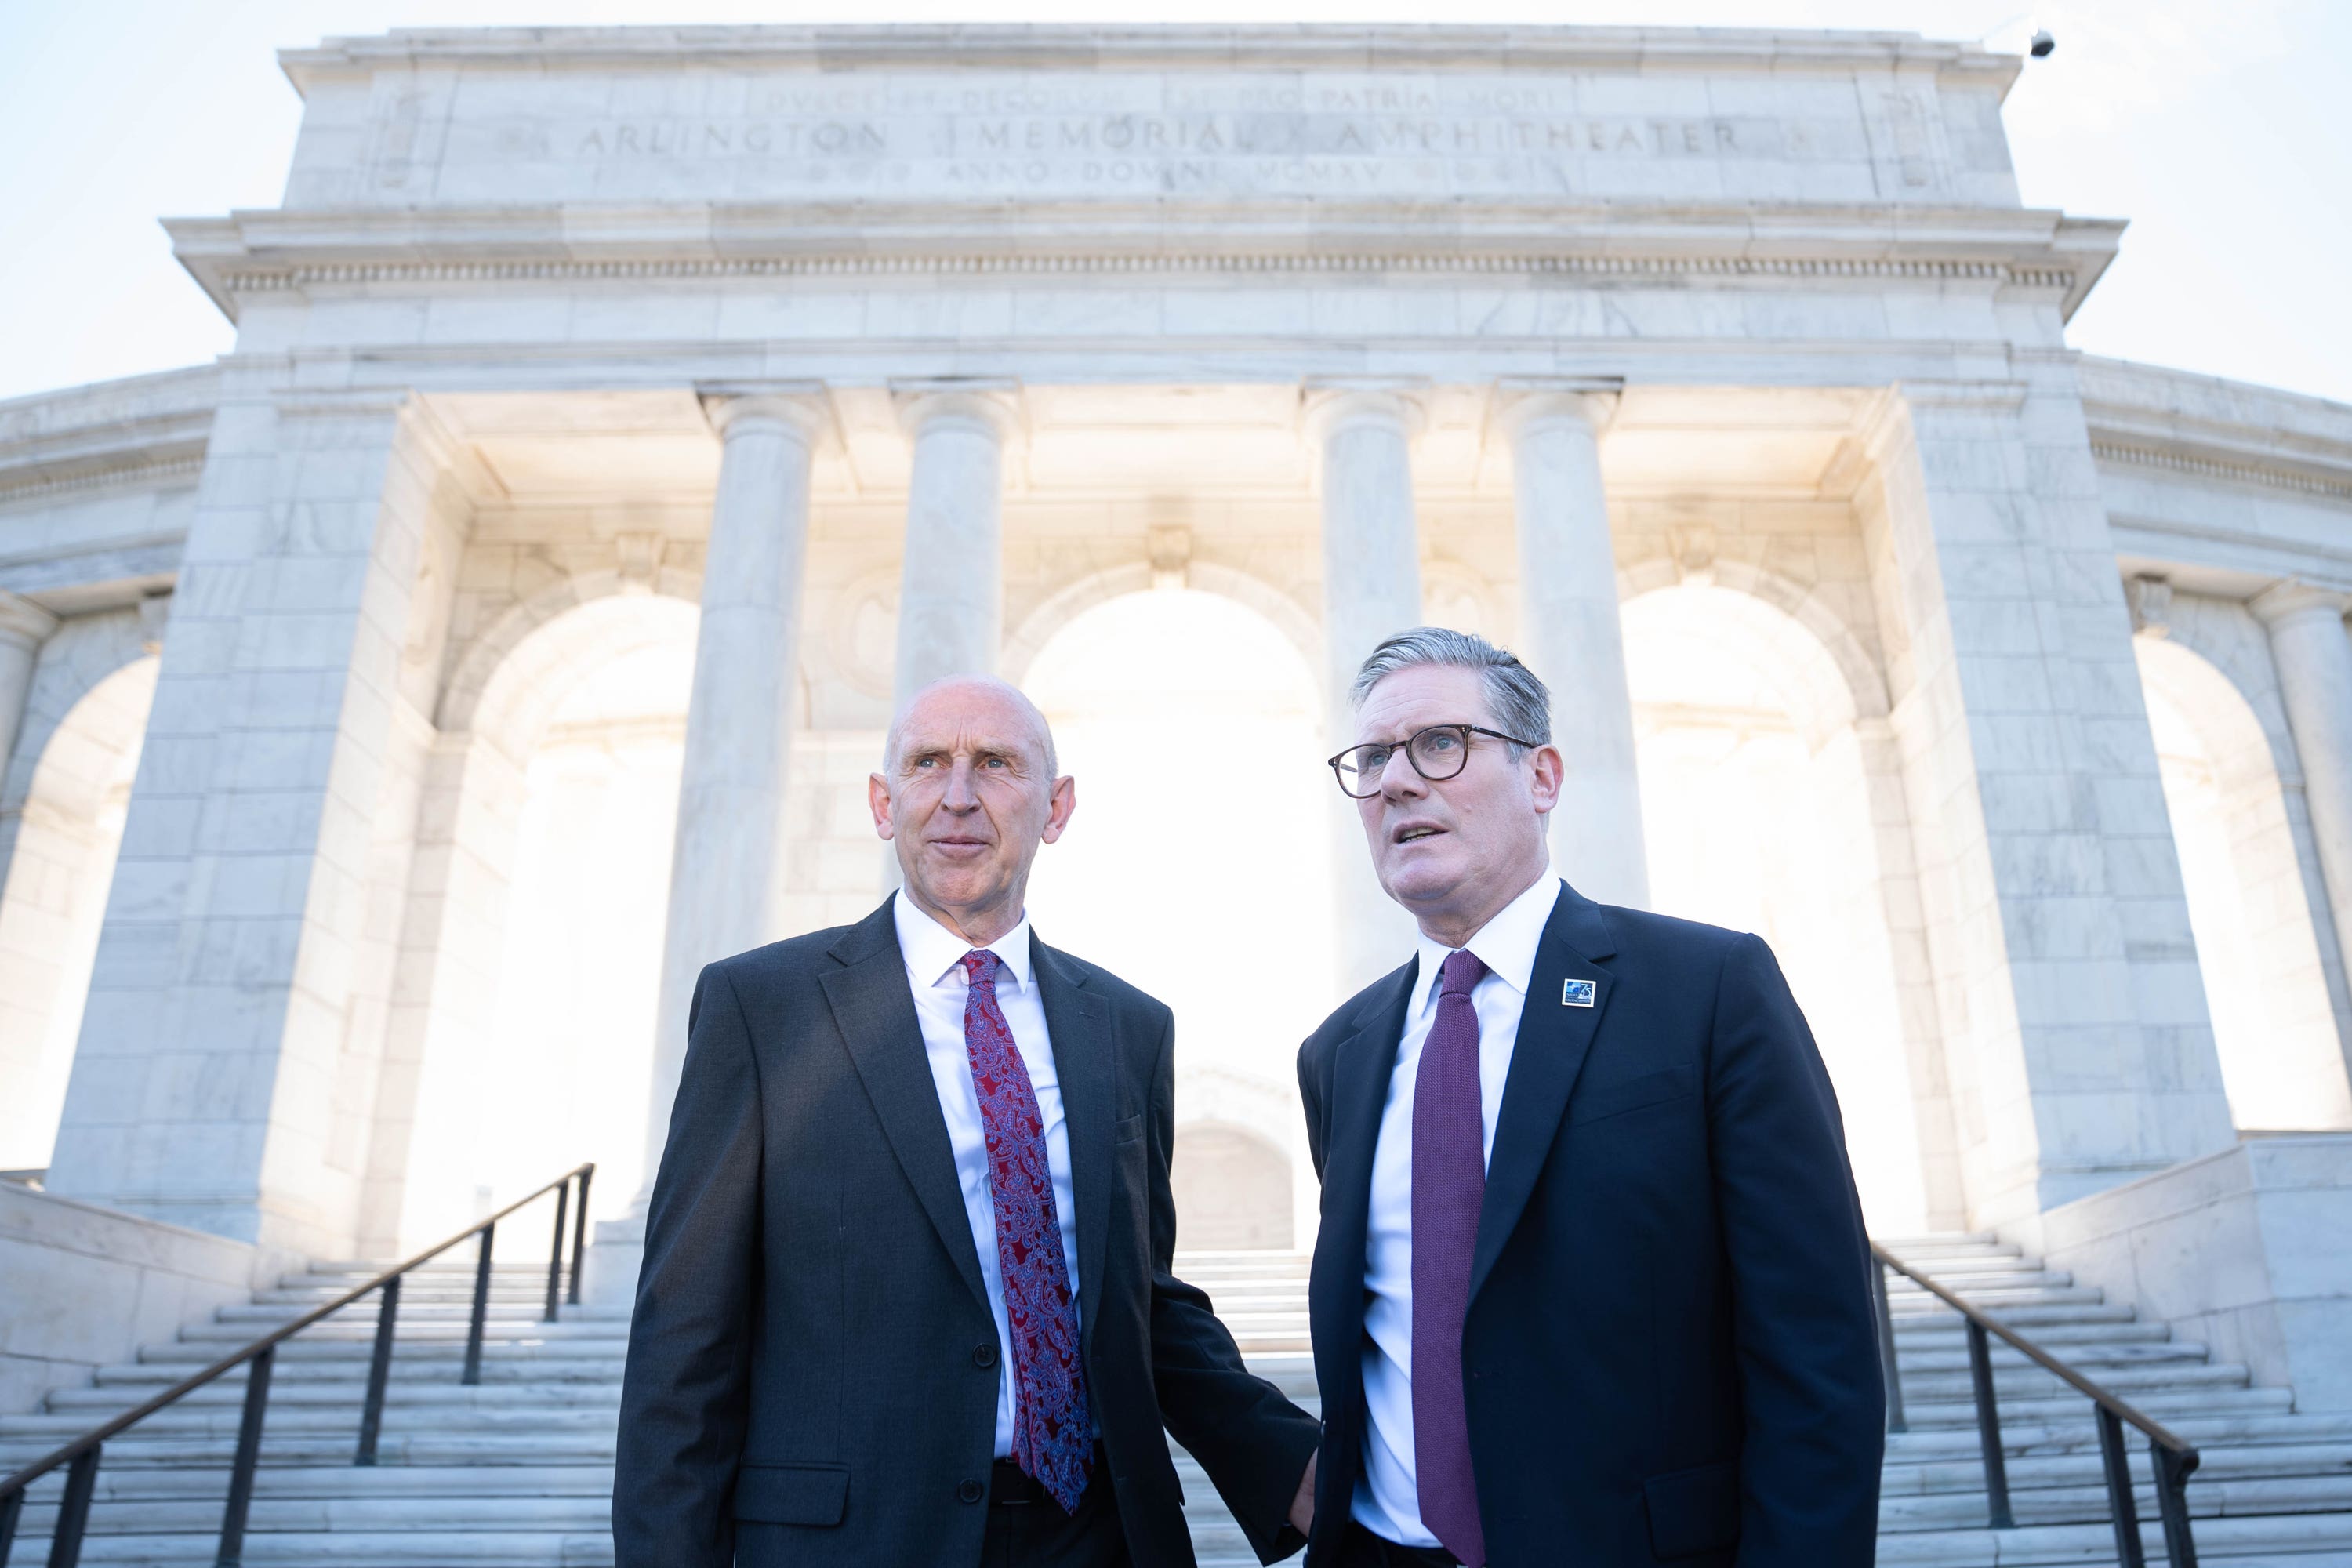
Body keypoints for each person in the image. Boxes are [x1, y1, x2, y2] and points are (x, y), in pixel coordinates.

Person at [615, 675, 1320, 1568]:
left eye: (995, 763)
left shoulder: (1128, 1026)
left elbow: (1142, 1301)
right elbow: (685, 1334)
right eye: (926, 764)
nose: (957, 795)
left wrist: (1296, 1465)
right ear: (883, 802)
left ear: (1056, 807)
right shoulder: (761, 1008)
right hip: (856, 1542)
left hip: (1099, 1535)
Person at [1296, 627, 1884, 1568]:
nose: (1398, 782)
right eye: (1371, 759)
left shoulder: (1711, 988)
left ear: (1543, 776)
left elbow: (1818, 1355)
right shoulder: (1340, 1052)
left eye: (1440, 743)